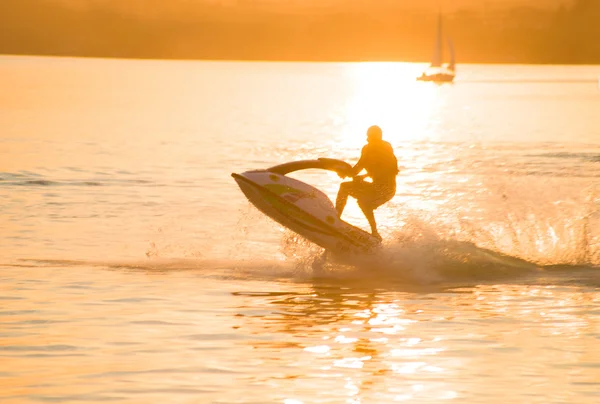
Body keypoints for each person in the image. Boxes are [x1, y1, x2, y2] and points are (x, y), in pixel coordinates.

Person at [335, 125, 398, 240]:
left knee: (351, 192)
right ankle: (374, 232)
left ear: (378, 136)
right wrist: (360, 175)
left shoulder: (378, 148)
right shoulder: (376, 148)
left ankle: (336, 219)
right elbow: (361, 169)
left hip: (384, 189)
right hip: (382, 188)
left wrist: (350, 173)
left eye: (372, 136)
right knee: (358, 198)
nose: (369, 138)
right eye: (369, 136)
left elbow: (391, 170)